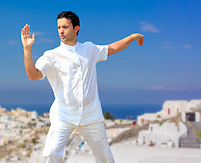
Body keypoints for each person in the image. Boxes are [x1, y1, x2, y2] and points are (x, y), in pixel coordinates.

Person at [21, 11, 144, 163]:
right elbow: (33, 75)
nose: (61, 31)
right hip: (63, 116)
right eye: (59, 27)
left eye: (65, 27)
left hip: (91, 116)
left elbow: (112, 48)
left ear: (76, 28)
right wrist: (27, 49)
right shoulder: (51, 56)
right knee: (52, 154)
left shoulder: (89, 49)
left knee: (105, 158)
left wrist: (132, 37)